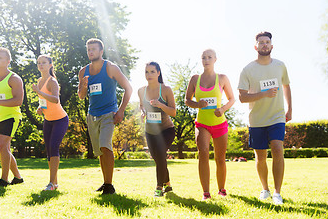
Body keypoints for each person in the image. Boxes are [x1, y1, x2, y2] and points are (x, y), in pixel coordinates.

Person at [238, 31, 292, 205]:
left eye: (267, 42)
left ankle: (277, 193)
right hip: (257, 119)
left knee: (277, 149)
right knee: (260, 157)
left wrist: (289, 109)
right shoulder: (247, 69)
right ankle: (265, 189)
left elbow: (286, 86)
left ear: (272, 45)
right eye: (261, 42)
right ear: (256, 47)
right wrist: (263, 94)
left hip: (277, 116)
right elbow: (242, 97)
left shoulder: (280, 66)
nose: (264, 45)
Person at [78, 38, 132, 194]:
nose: (91, 52)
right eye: (88, 49)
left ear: (101, 51)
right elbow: (81, 96)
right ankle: (106, 182)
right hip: (92, 114)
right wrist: (83, 85)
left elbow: (128, 88)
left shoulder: (111, 68)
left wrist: (121, 111)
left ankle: (109, 185)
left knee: (105, 146)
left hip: (109, 113)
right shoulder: (83, 71)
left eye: (94, 49)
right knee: (100, 151)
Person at [185, 49, 235, 200]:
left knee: (220, 158)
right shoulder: (195, 79)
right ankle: (206, 192)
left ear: (215, 59)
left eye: (209, 57)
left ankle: (221, 189)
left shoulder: (222, 78)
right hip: (202, 124)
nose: (206, 60)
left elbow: (232, 98)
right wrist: (197, 104)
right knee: (203, 153)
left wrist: (223, 109)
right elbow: (187, 100)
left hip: (220, 123)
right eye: (203, 58)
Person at [0, 47, 24, 187]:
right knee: (4, 148)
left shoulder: (14, 79)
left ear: (8, 61)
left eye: (0, 58)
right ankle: (18, 178)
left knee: (2, 145)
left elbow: (18, 101)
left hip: (12, 117)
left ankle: (4, 179)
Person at [138, 62, 176, 197]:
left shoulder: (166, 90)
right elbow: (142, 106)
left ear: (158, 73)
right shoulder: (141, 91)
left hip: (166, 130)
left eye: (152, 72)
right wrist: (143, 113)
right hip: (150, 131)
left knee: (160, 155)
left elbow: (173, 112)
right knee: (158, 159)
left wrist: (160, 105)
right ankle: (168, 184)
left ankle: (159, 187)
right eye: (147, 72)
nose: (149, 75)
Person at [32, 55, 69, 191]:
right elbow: (45, 100)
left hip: (60, 120)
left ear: (50, 65)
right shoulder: (39, 81)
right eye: (39, 63)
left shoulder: (52, 81)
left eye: (44, 63)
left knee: (54, 147)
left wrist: (39, 91)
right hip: (48, 120)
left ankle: (51, 183)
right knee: (49, 150)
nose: (41, 65)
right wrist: (41, 107)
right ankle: (55, 183)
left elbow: (55, 100)